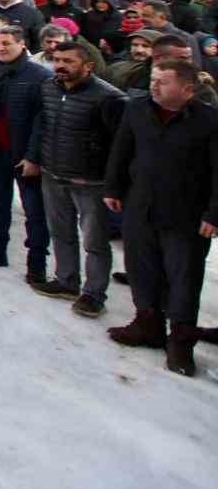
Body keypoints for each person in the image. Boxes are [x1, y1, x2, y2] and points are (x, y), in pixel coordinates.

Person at [104, 59, 218, 376]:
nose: (153, 86)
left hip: (187, 216)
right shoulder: (137, 109)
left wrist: (214, 214)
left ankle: (181, 341)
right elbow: (121, 150)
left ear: (188, 89)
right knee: (141, 270)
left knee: (184, 279)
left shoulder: (209, 120)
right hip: (140, 206)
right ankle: (148, 324)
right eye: (153, 79)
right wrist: (113, 187)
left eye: (163, 81)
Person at [22, 41, 125, 315]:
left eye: (68, 61)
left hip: (90, 181)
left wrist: (114, 183)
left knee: (94, 241)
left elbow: (121, 146)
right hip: (53, 173)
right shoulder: (49, 87)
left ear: (88, 66)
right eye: (57, 60)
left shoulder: (109, 98)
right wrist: (34, 158)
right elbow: (42, 125)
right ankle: (66, 281)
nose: (60, 66)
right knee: (61, 232)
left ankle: (94, 294)